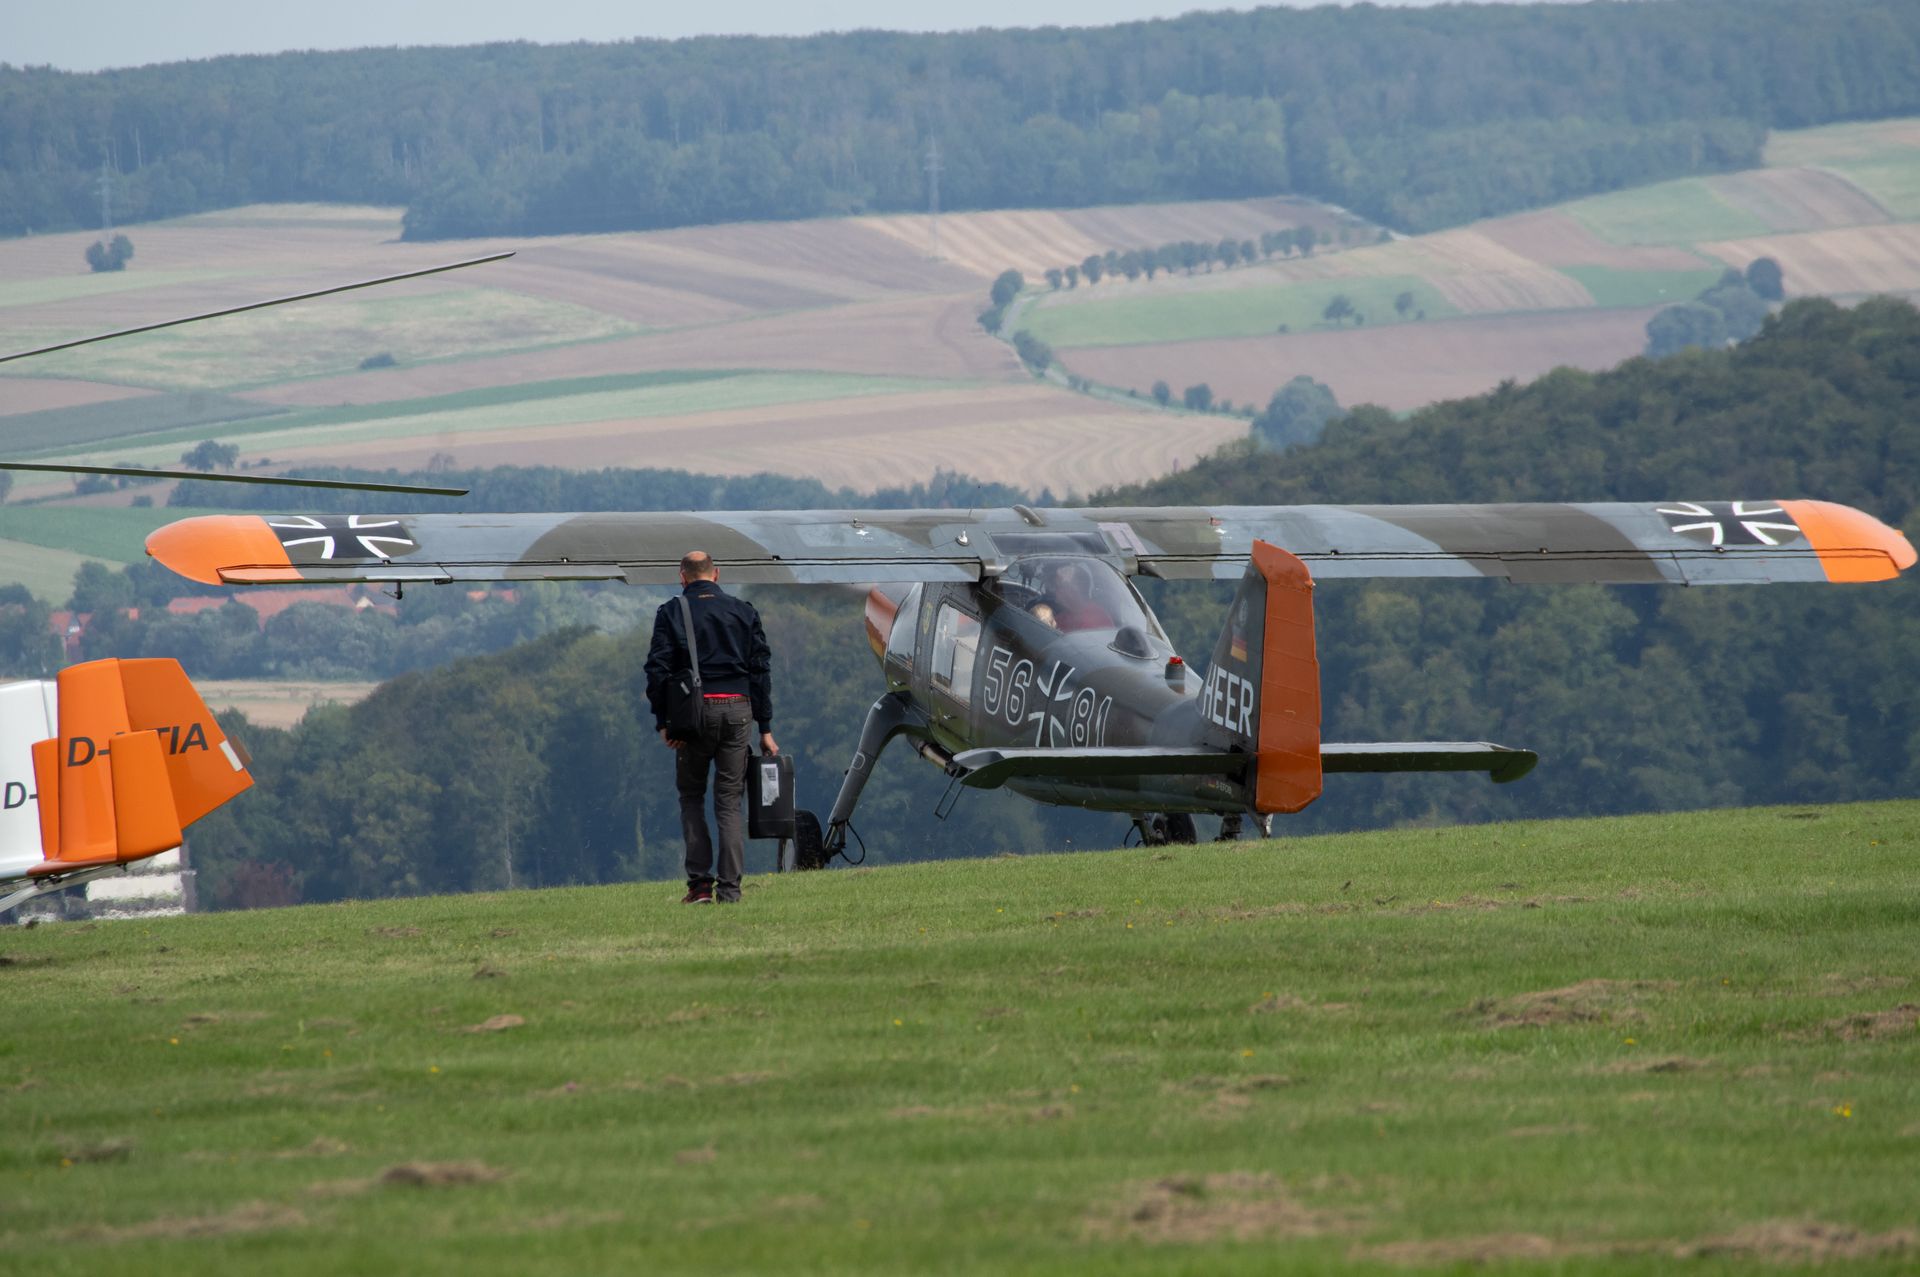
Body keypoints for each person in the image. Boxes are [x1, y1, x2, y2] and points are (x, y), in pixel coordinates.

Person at [644, 551, 776, 904]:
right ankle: (730, 891)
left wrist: (664, 722)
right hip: (739, 712)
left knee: (691, 797)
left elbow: (657, 670)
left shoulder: (671, 612)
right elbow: (761, 671)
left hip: (694, 717)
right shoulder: (744, 611)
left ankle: (700, 886)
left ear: (682, 577)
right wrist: (765, 727)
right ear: (716, 575)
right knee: (729, 803)